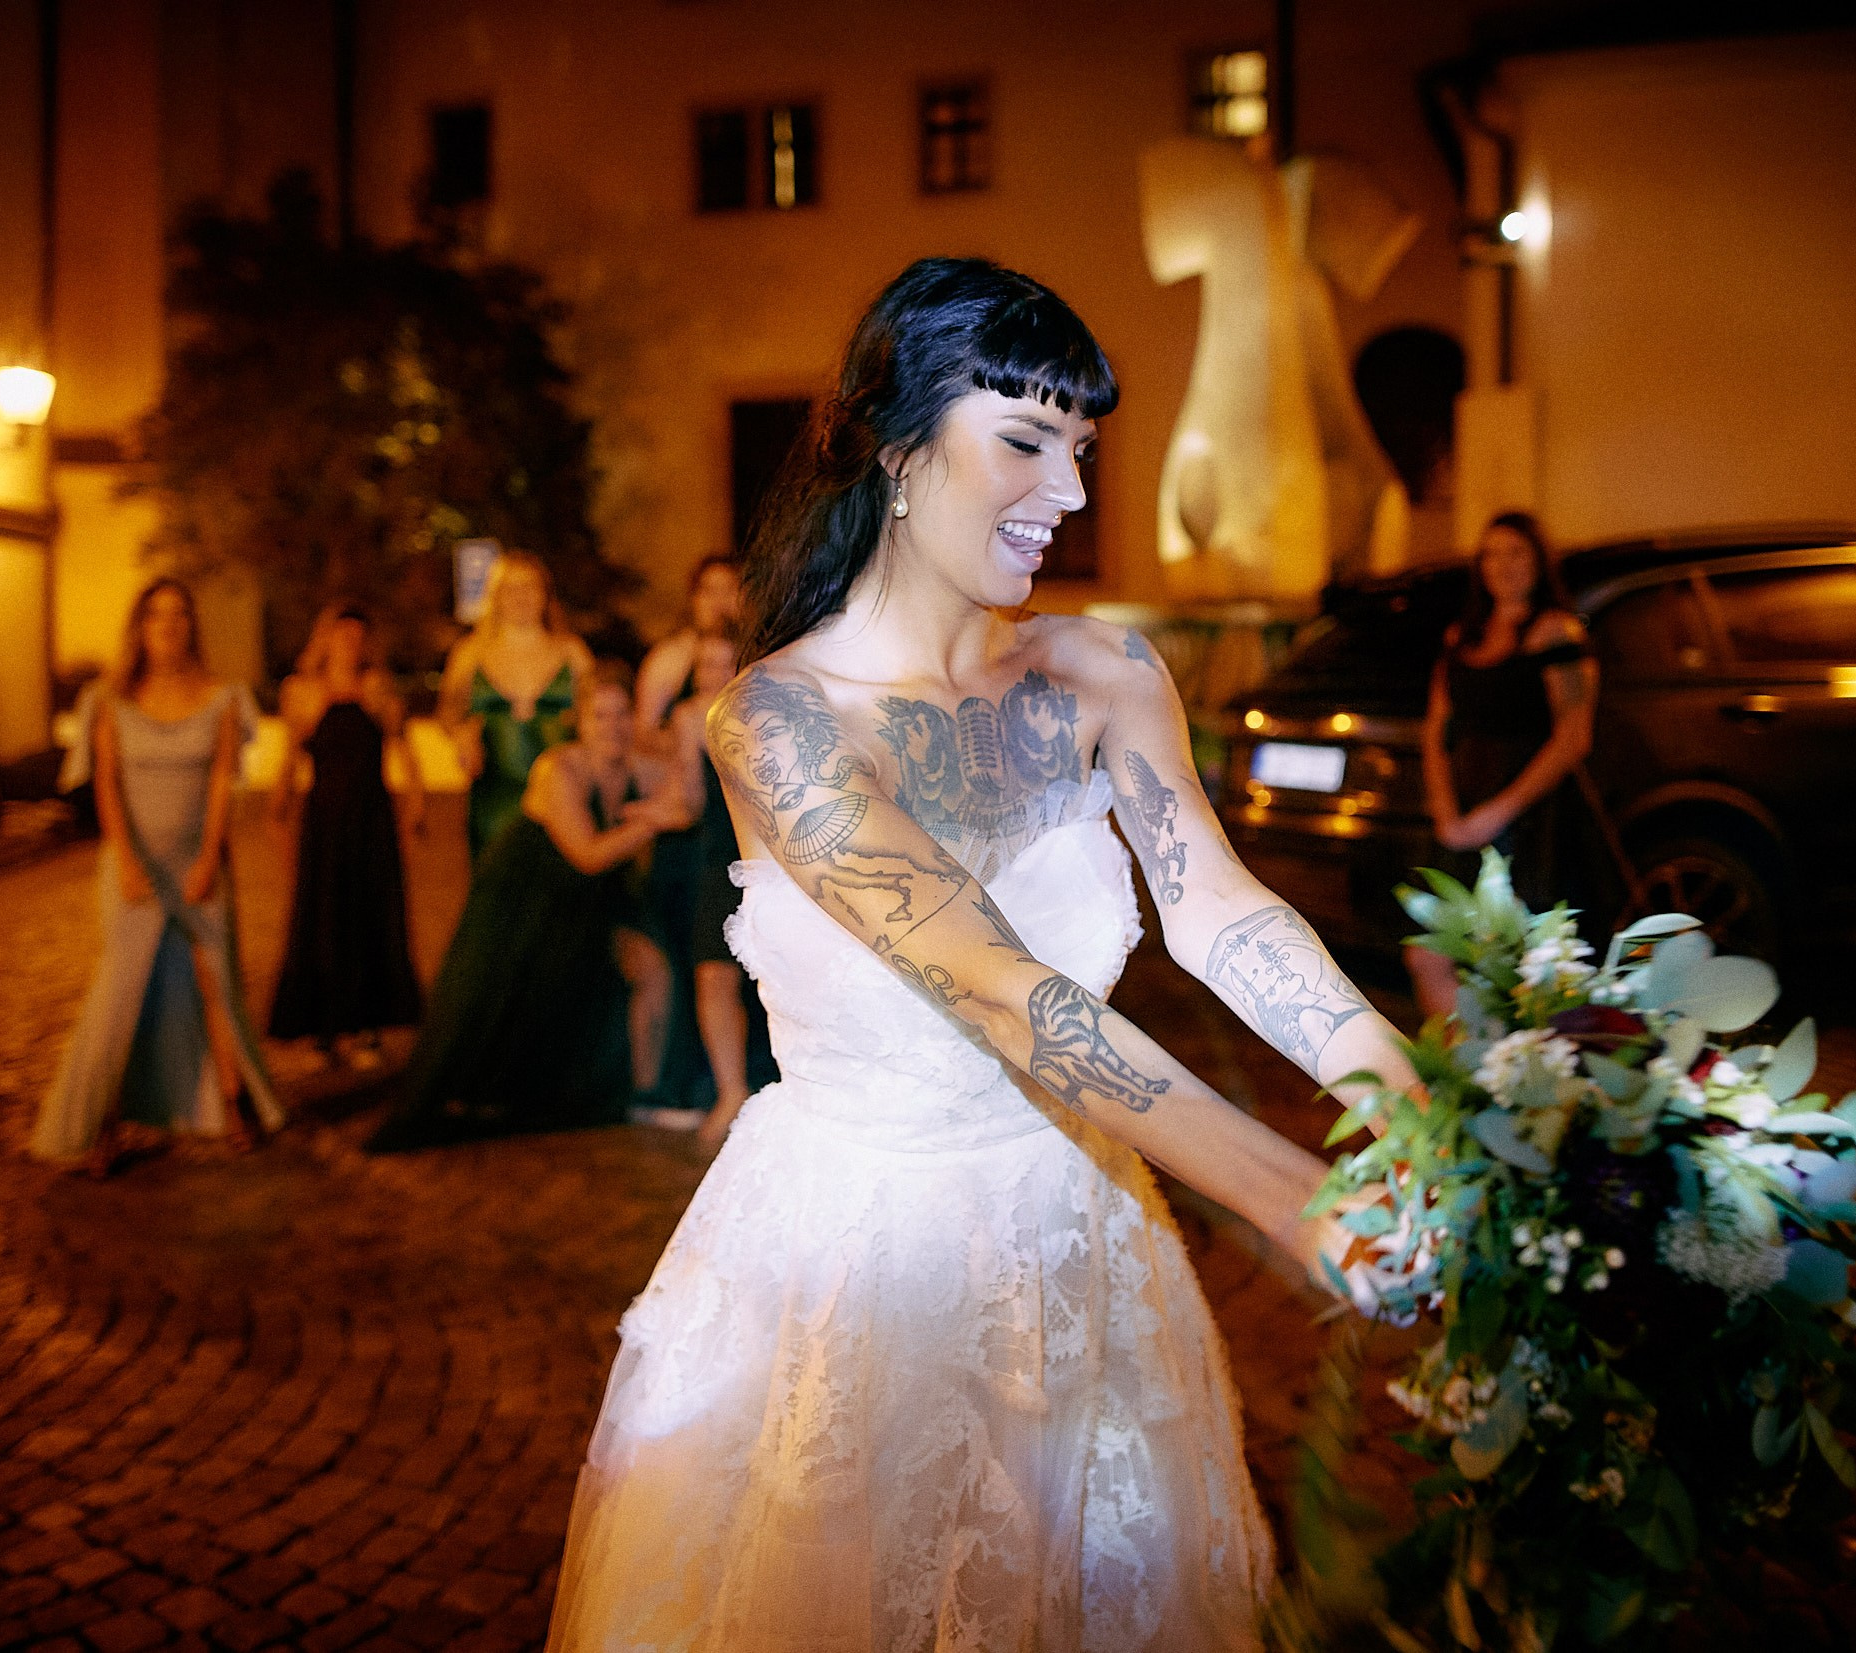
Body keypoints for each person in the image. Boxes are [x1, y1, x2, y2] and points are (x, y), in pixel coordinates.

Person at [547, 259, 1423, 1652]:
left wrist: (1395, 1081)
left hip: (1084, 1243)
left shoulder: (1105, 677)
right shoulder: (778, 724)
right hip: (858, 1271)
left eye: (1081, 450)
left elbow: (1219, 911)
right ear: (897, 446)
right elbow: (1005, 992)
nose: (1070, 494)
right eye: (1024, 440)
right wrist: (1288, 1191)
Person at [370, 660, 694, 1151]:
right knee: (500, 1009)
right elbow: (587, 855)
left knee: (651, 968)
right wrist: (652, 822)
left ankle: (647, 1095)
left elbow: (686, 796)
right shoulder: (558, 769)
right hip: (521, 900)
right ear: (579, 723)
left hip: (588, 901)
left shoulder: (639, 769)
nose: (613, 727)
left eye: (622, 715)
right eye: (600, 716)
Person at [33, 578, 285, 1171]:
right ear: (139, 627)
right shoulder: (110, 699)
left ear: (191, 626)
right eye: (155, 616)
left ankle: (232, 1101)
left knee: (214, 980)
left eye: (178, 615)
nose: (168, 627)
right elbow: (107, 786)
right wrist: (125, 859)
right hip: (133, 863)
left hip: (199, 858)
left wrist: (209, 858)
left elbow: (225, 779)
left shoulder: (223, 697)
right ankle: (102, 1121)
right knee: (122, 990)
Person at [1409, 511, 1603, 1018]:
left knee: (1521, 963)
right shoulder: (1462, 638)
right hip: (1463, 814)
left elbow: (1573, 738)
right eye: (1491, 553)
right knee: (1430, 952)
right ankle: (1464, 1080)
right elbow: (1435, 731)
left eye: (1516, 551)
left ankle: (1520, 1081)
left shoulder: (1555, 632)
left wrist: (1496, 815)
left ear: (1539, 560)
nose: (1503, 565)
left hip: (1529, 821)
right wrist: (1446, 812)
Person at [268, 607, 424, 1068]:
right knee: (322, 916)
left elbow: (404, 746)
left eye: (357, 637)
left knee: (369, 915)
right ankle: (324, 1030)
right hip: (323, 821)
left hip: (371, 818)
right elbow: (291, 753)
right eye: (341, 636)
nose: (349, 645)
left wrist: (415, 803)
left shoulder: (378, 689)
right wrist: (278, 806)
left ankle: (367, 1027)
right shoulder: (302, 691)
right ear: (326, 639)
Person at [665, 623, 776, 1148]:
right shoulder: (688, 720)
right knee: (712, 975)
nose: (711, 675)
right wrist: (642, 817)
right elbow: (688, 798)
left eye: (721, 664)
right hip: (714, 858)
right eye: (703, 666)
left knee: (775, 973)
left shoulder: (765, 714)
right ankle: (731, 1090)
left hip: (767, 858)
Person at [437, 551, 592, 861]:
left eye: (530, 586)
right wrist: (462, 737)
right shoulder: (469, 655)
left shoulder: (572, 653)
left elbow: (593, 716)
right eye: (510, 587)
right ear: (495, 595)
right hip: (495, 798)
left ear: (545, 595)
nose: (521, 597)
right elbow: (449, 715)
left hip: (560, 796)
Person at [633, 554, 744, 733]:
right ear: (694, 598)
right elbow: (644, 731)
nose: (719, 601)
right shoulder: (670, 658)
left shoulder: (758, 655)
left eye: (728, 590)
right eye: (710, 591)